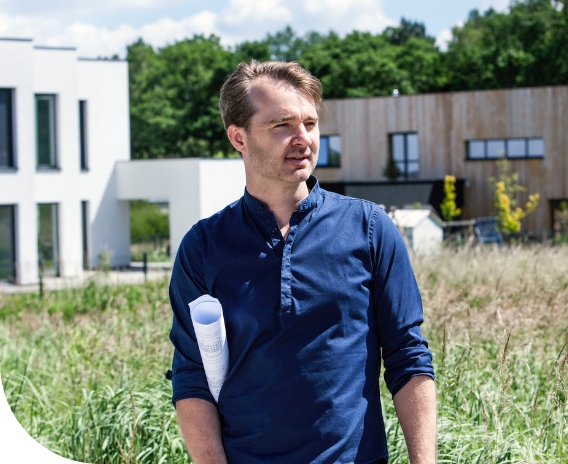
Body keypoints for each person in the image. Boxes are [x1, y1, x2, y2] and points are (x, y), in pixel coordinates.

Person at [168, 60, 436, 464]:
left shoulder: (369, 228)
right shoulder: (203, 246)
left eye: (310, 123)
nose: (303, 139)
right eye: (282, 125)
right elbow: (193, 376)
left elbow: (408, 357)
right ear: (238, 137)